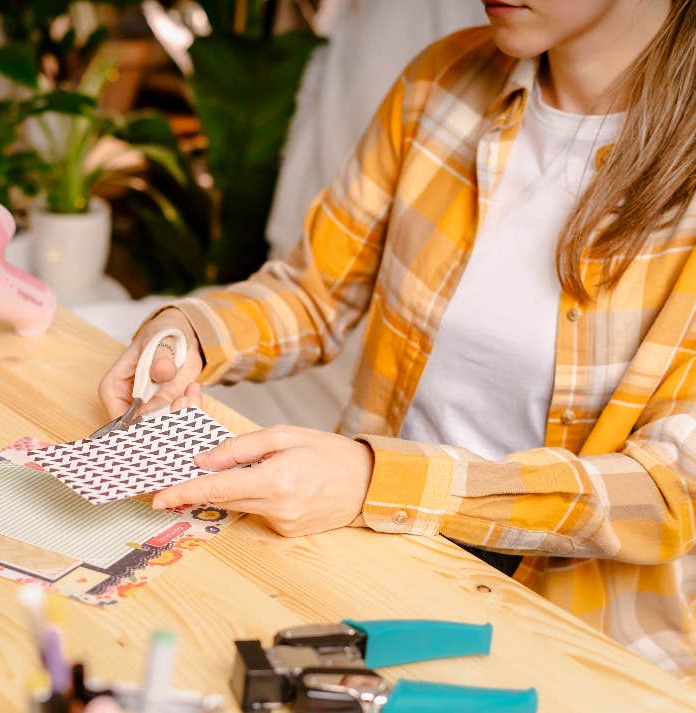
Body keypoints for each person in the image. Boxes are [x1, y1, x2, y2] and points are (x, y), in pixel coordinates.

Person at [99, 0, 696, 677]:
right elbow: (315, 291)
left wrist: (378, 480)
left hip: (583, 641)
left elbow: (673, 488)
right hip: (369, 554)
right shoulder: (444, 79)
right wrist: (194, 332)